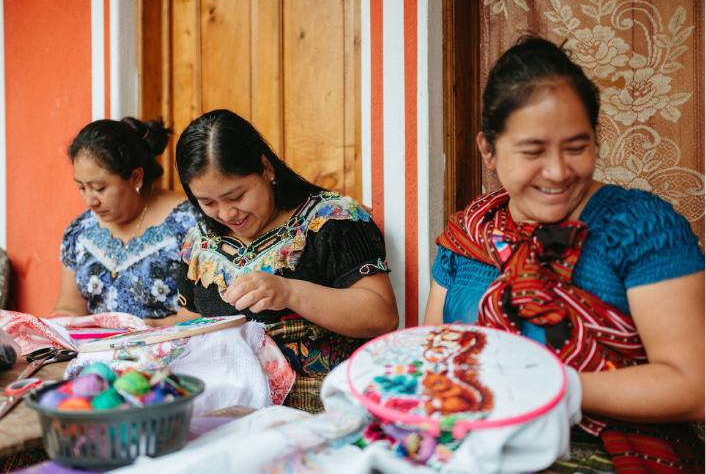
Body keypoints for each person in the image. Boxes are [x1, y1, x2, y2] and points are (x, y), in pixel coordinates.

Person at [424, 36, 704, 471]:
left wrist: (560, 388)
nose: (557, 172)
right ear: (488, 150)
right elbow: (432, 356)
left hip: (609, 455)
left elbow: (694, 387)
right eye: (533, 151)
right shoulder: (468, 234)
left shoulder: (641, 229)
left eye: (577, 147)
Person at [168, 109, 398, 412]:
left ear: (266, 169)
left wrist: (289, 292)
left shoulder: (331, 220)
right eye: (208, 202)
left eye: (236, 196)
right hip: (223, 413)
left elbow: (381, 314)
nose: (225, 214)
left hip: (321, 413)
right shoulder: (198, 241)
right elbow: (193, 323)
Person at [53, 118, 200, 321]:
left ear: (136, 177)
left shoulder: (189, 223)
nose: (89, 201)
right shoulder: (79, 231)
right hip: (97, 350)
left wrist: (156, 328)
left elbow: (204, 312)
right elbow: (70, 306)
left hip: (172, 348)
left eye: (99, 188)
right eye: (81, 187)